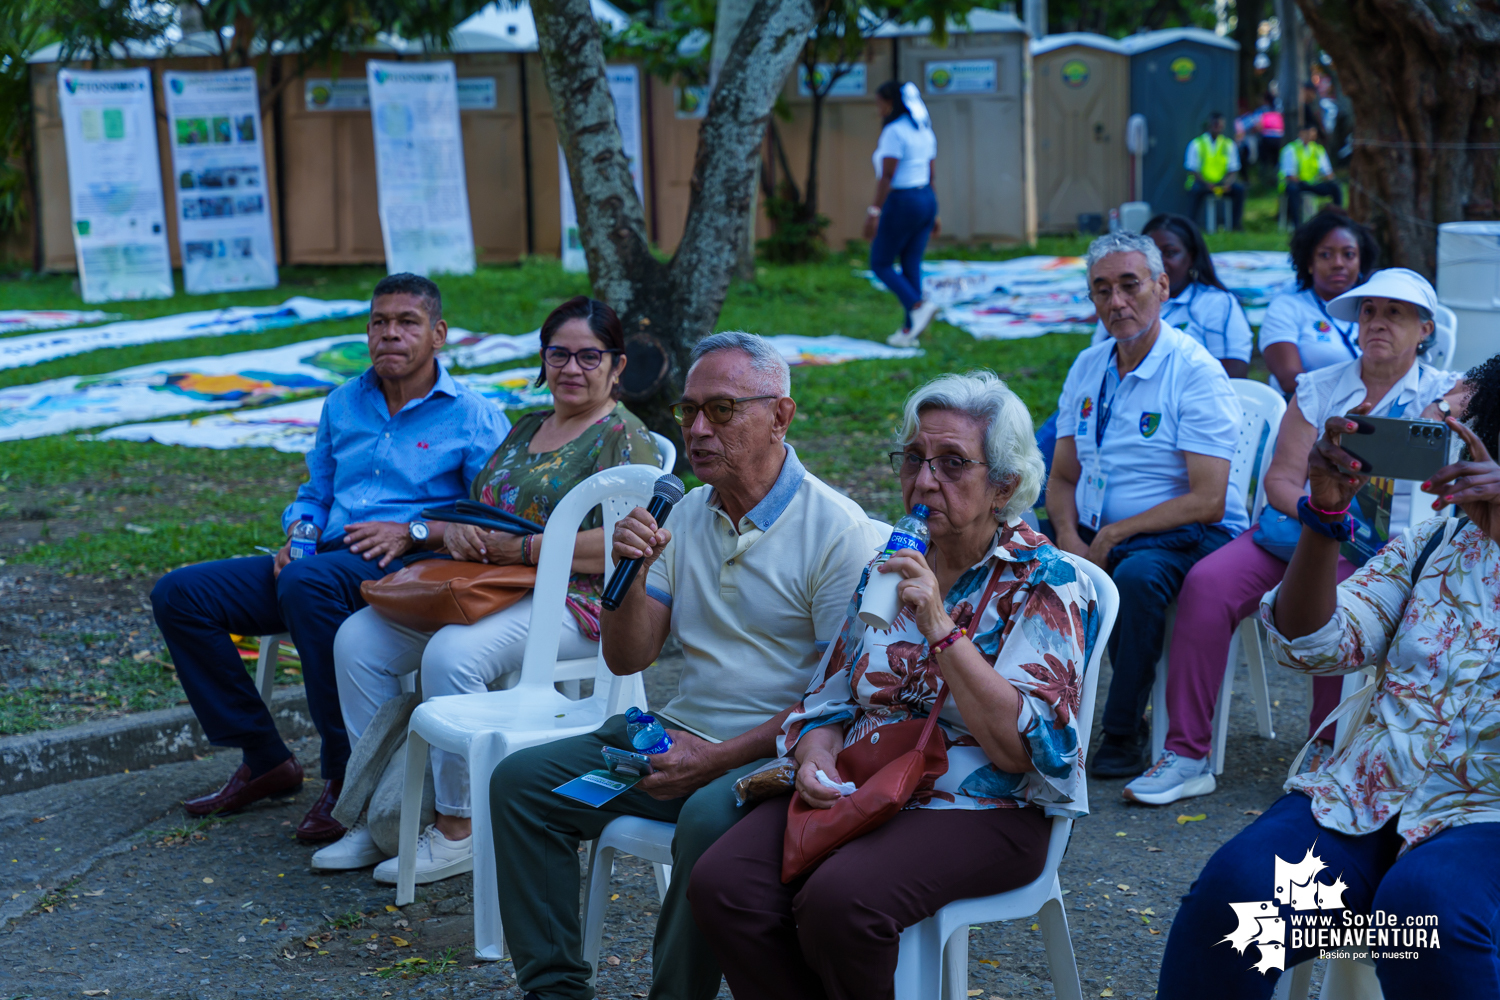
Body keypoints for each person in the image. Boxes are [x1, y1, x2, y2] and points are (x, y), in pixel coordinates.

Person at [488, 332, 887, 1000]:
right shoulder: (688, 512)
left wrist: (718, 759)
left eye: (723, 411)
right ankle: (555, 990)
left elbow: (835, 703)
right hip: (670, 742)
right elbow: (629, 654)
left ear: (780, 417)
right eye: (689, 411)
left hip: (774, 761)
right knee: (524, 786)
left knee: (705, 818)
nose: (699, 430)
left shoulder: (836, 532)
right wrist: (630, 574)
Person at [688, 371, 1098, 1000]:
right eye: (913, 458)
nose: (924, 480)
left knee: (842, 901)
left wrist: (939, 624)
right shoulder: (889, 564)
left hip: (985, 805)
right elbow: (827, 699)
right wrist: (816, 759)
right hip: (866, 780)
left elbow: (1022, 750)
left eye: (953, 463)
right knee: (724, 884)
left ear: (1004, 485)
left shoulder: (1048, 581)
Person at [1156, 354, 1500, 999]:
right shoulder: (1435, 545)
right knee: (1238, 898)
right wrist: (1324, 517)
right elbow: (1313, 646)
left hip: (1486, 819)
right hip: (1367, 804)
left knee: (1424, 914)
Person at [149, 274, 509, 841]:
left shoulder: (474, 416)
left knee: (307, 587)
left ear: (438, 334)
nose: (389, 333)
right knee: (181, 595)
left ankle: (348, 776)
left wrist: (413, 531)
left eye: (407, 322)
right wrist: (301, 533)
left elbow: (490, 520)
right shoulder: (345, 401)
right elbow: (315, 491)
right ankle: (266, 757)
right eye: (379, 322)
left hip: (408, 564)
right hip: (323, 559)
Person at [315, 296, 660, 879]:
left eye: (588, 356)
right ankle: (383, 818)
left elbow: (628, 547)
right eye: (558, 354)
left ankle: (458, 825)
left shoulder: (625, 440)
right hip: (492, 586)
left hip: (578, 605)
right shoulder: (526, 427)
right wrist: (463, 532)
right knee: (357, 640)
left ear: (616, 365)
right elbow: (485, 507)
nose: (571, 369)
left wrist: (525, 550)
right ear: (543, 359)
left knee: (451, 656)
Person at [1124, 268, 1469, 806]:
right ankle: (1186, 753)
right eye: (1369, 312)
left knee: (1339, 603)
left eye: (1394, 314)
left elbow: (1479, 388)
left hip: (1384, 554)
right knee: (1206, 583)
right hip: (1300, 532)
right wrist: (1326, 515)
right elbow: (1281, 480)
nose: (1377, 322)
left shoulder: (1443, 388)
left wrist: (1442, 409)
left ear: (1424, 329)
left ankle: (1322, 745)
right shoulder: (1322, 386)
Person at [1046, 232, 1248, 779]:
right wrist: (1068, 537)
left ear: (1162, 286)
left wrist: (1107, 538)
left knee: (1135, 576)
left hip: (1186, 530)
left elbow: (1207, 500)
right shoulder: (1089, 367)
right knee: (1012, 551)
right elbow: (1062, 476)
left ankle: (1121, 730)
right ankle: (1030, 714)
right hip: (1093, 525)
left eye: (1130, 285)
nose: (1117, 302)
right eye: (1102, 290)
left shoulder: (1195, 371)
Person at [1087, 213, 1253, 377]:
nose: (1159, 262)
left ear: (1192, 256)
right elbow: (1095, 366)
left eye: (1170, 253)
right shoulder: (1119, 305)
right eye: (1152, 255)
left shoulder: (1216, 303)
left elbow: (1232, 374)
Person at [1258, 208, 1380, 393]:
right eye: (1325, 255)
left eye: (1348, 255)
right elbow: (1290, 379)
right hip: (1307, 411)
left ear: (1360, 261)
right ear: (1309, 263)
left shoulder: (1378, 306)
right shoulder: (1287, 307)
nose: (1338, 263)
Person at [865, 80, 939, 349]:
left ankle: (918, 306)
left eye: (881, 103)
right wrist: (934, 213)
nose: (878, 108)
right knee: (910, 263)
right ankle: (910, 331)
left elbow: (887, 174)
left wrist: (874, 212)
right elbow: (931, 173)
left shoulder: (894, 132)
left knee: (881, 262)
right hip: (926, 199)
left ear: (893, 103)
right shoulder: (925, 131)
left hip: (903, 200)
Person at [1185, 112, 1245, 231]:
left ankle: (1235, 225)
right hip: (1203, 183)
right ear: (1209, 125)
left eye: (1220, 125)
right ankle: (1191, 226)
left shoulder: (1228, 144)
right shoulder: (1197, 144)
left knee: (1240, 190)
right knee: (1195, 190)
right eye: (1215, 124)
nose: (1217, 127)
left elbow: (1233, 169)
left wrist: (1228, 183)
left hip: (1222, 183)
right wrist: (1207, 184)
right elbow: (1193, 169)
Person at [1279, 122, 1340, 226]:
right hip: (1297, 184)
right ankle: (1296, 224)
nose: (1311, 136)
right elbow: (1289, 175)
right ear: (1301, 134)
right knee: (1292, 189)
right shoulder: (1291, 149)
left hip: (1313, 183)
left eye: (1313, 134)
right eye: (1308, 133)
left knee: (1335, 187)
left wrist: (1329, 178)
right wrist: (1304, 182)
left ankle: (1338, 219)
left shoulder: (1317, 149)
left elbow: (1327, 172)